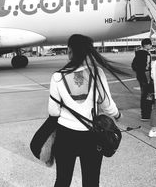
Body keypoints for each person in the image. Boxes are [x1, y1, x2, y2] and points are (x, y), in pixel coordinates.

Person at [48, 34, 126, 187]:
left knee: (62, 180)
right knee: (91, 181)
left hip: (65, 135)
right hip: (91, 135)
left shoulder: (57, 77)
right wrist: (118, 115)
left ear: (69, 50)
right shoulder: (97, 73)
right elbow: (108, 106)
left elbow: (53, 112)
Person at [132, 38, 153, 120]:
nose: (151, 46)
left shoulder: (137, 54)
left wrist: (139, 72)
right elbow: (147, 67)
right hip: (146, 77)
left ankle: (144, 114)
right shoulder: (147, 54)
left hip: (140, 76)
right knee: (148, 95)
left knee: (143, 95)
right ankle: (146, 114)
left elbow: (133, 66)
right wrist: (148, 78)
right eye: (150, 45)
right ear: (147, 45)